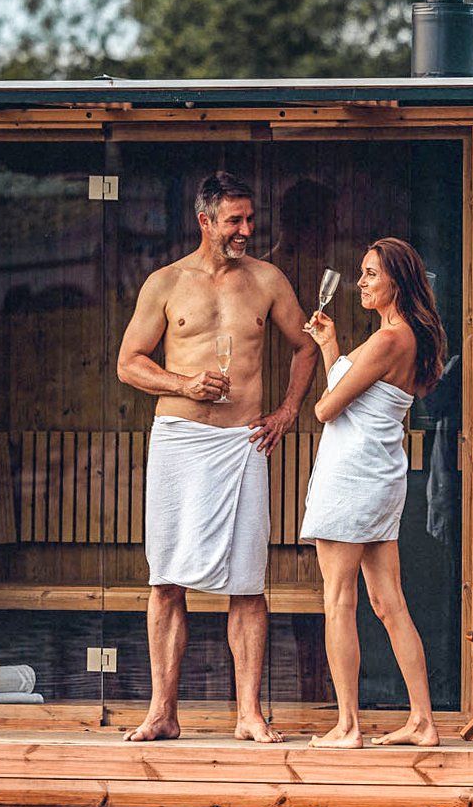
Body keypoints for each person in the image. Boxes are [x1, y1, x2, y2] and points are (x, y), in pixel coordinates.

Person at [115, 172, 317, 743]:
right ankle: (162, 712)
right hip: (180, 443)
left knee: (248, 582)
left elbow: (304, 348)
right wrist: (183, 383)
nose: (246, 231)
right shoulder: (166, 284)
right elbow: (128, 362)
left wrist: (286, 412)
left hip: (243, 443)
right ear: (205, 221)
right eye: (234, 221)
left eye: (250, 220)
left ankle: (248, 713)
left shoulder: (267, 281)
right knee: (166, 580)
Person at [297, 238, 448, 748]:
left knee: (338, 600)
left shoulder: (388, 340)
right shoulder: (398, 338)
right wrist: (329, 346)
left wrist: (327, 380)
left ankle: (347, 726)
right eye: (360, 274)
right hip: (378, 478)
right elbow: (359, 397)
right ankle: (423, 721)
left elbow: (326, 409)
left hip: (353, 478)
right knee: (389, 603)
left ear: (396, 282)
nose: (360, 282)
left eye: (369, 274)